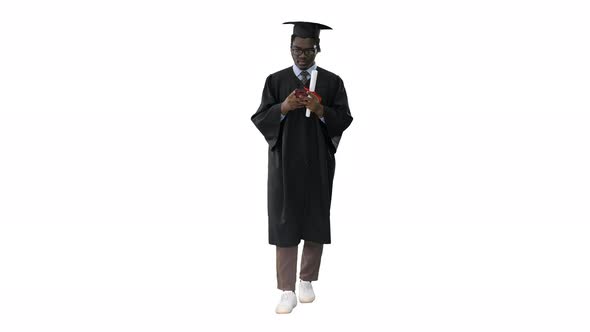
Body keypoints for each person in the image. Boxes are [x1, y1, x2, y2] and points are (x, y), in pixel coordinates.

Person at [251, 21, 353, 314]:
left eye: (308, 50)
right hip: (284, 163)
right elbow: (260, 117)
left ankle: (307, 279)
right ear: (291, 47)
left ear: (317, 49)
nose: (302, 56)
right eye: (297, 49)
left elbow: (343, 119)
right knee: (284, 219)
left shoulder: (332, 82)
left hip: (318, 161)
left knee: (315, 215)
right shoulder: (276, 80)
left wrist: (321, 110)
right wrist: (282, 108)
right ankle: (286, 290)